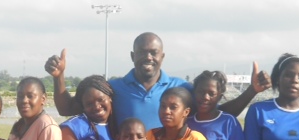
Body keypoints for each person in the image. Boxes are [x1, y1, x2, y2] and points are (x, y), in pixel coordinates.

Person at [45, 32, 271, 129]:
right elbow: (66, 108)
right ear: (133, 56)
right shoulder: (114, 89)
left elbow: (217, 113)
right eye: (142, 52)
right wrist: (59, 77)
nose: (148, 57)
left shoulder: (182, 88)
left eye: (154, 52)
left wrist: (252, 91)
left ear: (162, 56)